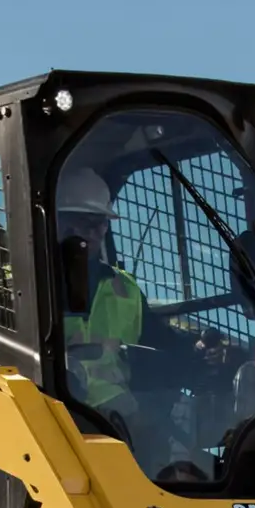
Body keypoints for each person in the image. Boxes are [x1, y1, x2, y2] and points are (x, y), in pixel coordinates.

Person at [56, 166, 147, 435]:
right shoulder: (22, 281)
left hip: (118, 412)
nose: (97, 232)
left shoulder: (125, 288)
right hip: (52, 408)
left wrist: (196, 348)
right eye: (87, 222)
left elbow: (155, 340)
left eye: (102, 223)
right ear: (57, 221)